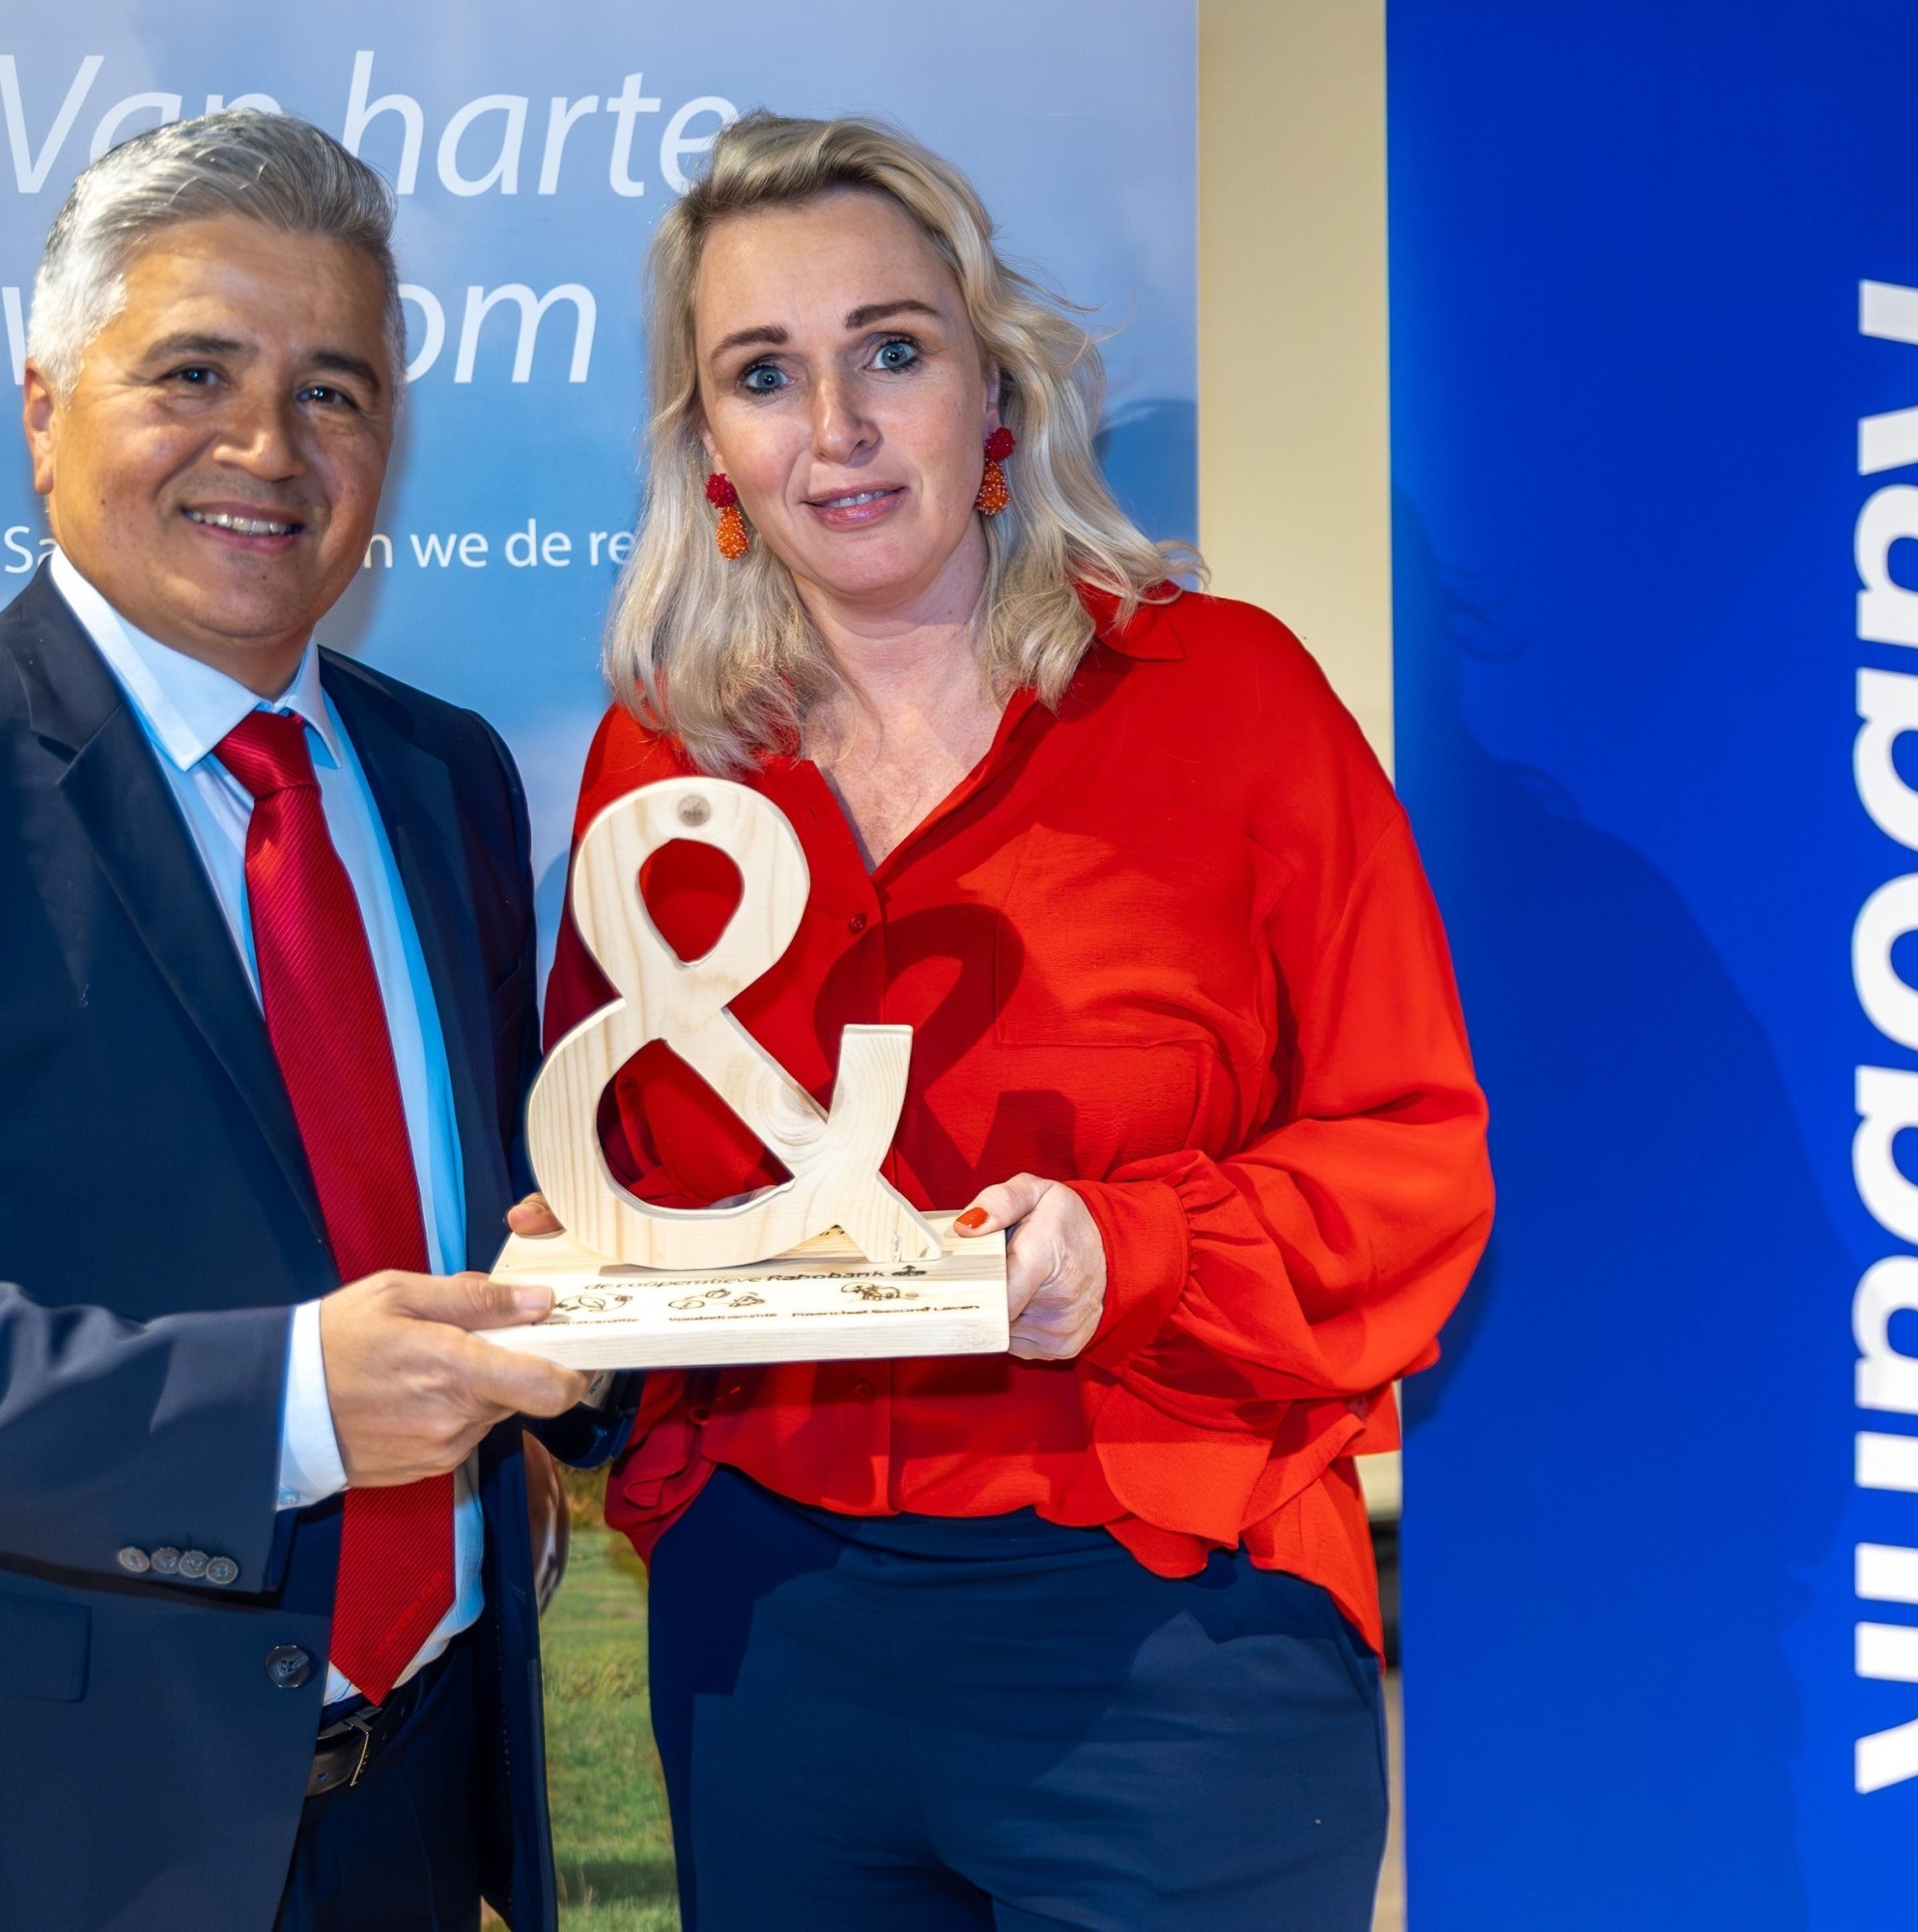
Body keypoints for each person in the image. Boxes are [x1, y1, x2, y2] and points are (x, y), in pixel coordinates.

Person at [0, 112, 626, 1932]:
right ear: (45, 409)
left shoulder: (448, 777)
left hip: (416, 1810)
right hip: (33, 1836)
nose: (268, 445)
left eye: (333, 391)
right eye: (194, 372)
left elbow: (496, 1215)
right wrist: (288, 1407)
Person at [514, 113, 1494, 1930]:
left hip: (1170, 1633)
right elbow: (626, 1164)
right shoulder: (659, 760)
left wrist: (1122, 1254)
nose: (835, 425)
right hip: (766, 1640)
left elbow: (1411, 1167)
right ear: (710, 447)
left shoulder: (1231, 701)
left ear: (996, 391)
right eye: (762, 374)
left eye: (890, 350)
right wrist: (589, 1268)